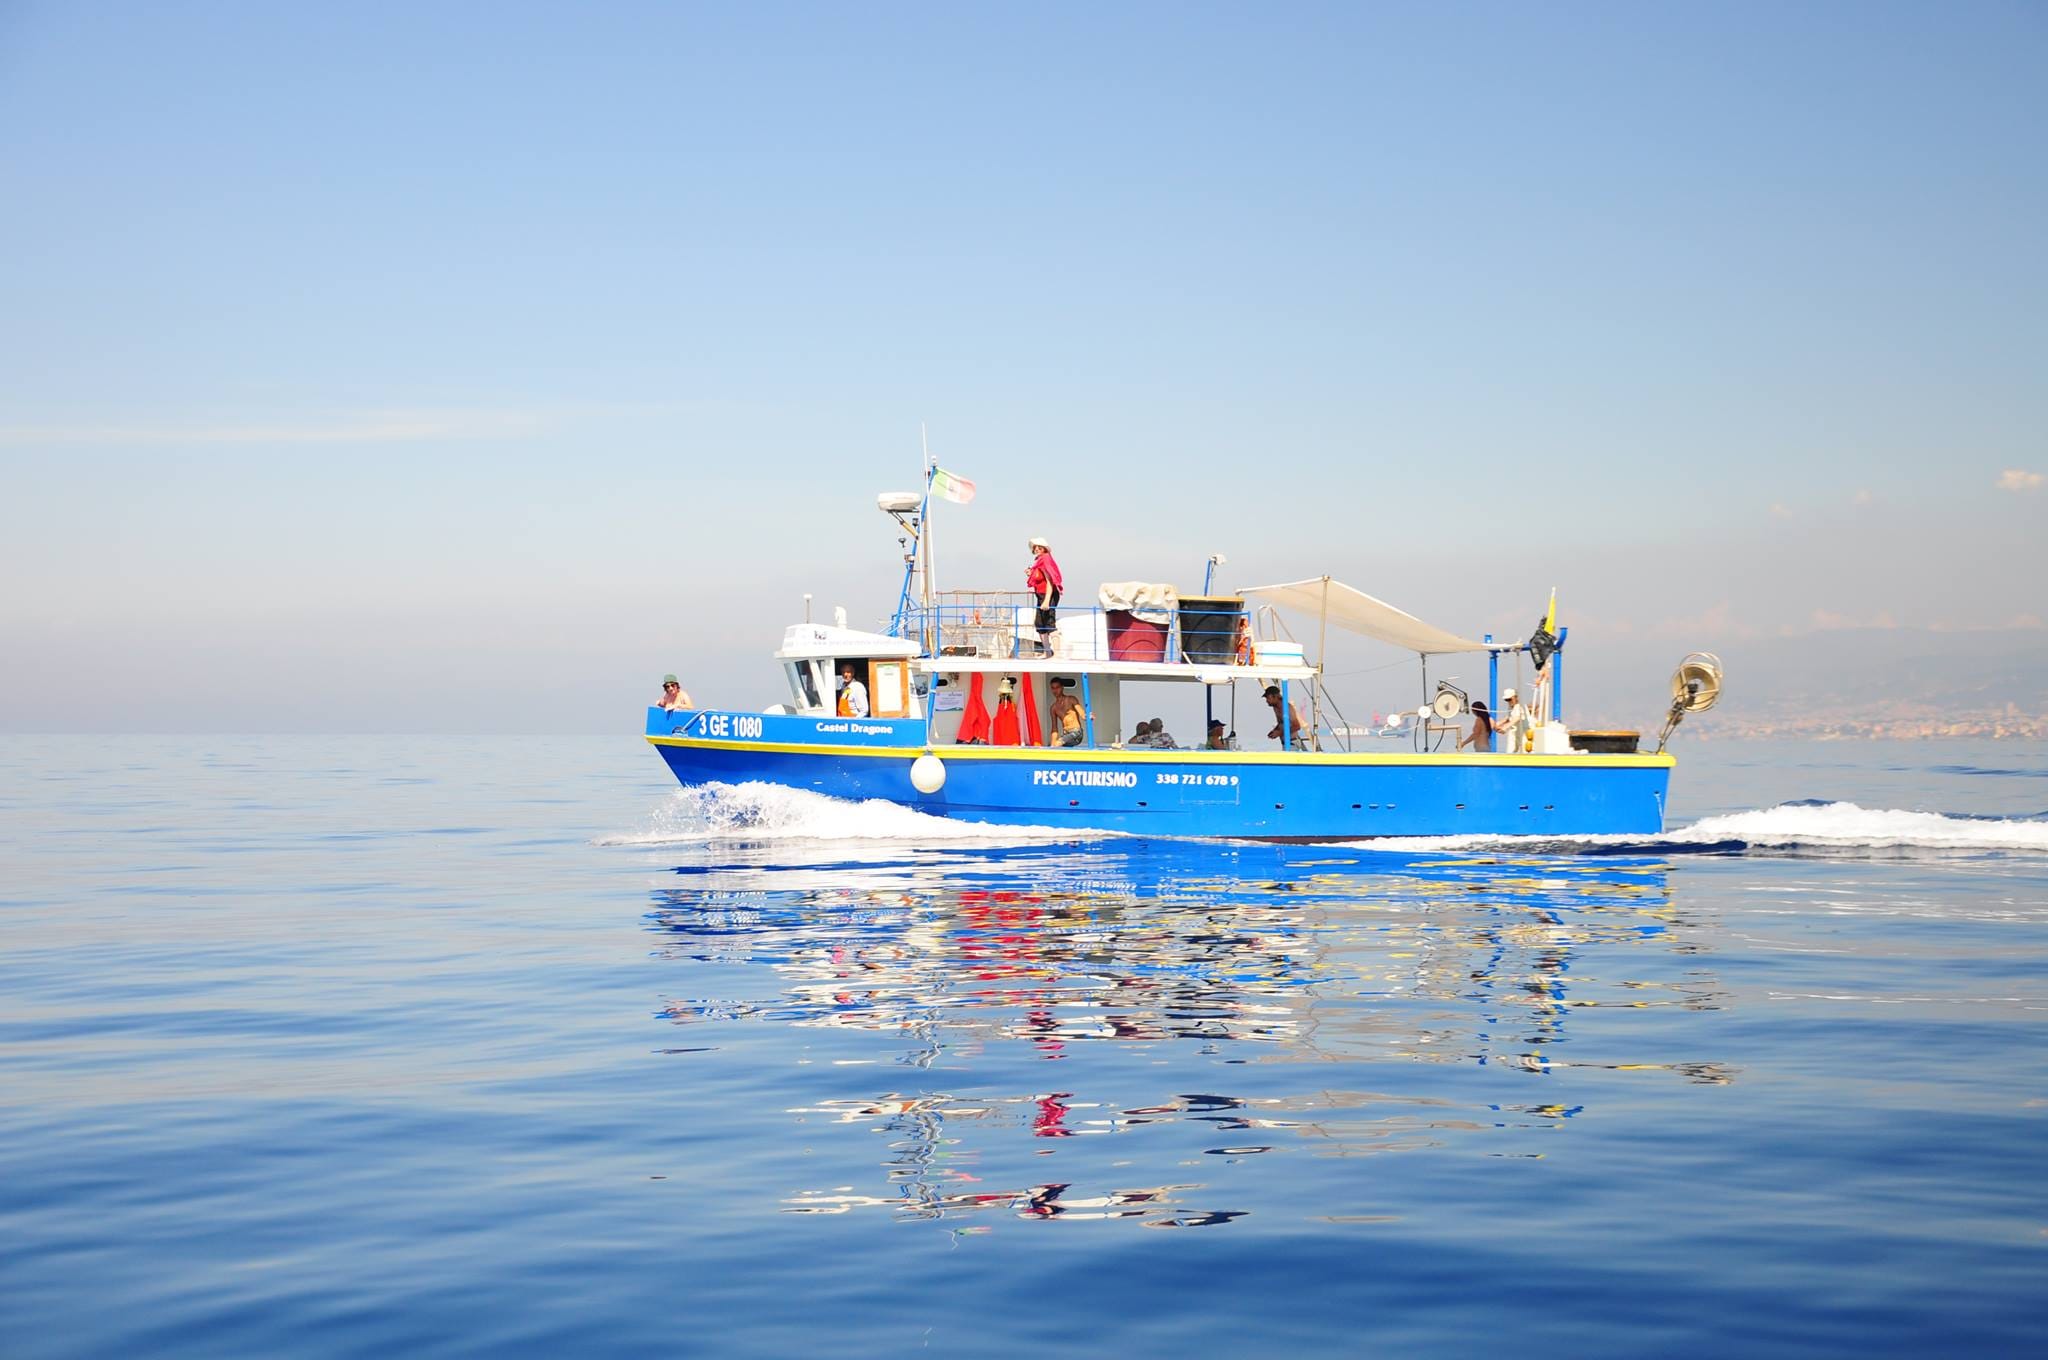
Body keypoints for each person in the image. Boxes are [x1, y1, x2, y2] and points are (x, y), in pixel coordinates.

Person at [1026, 537, 1063, 657]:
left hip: (1048, 595)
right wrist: (1031, 573)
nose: (1036, 549)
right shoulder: (1039, 561)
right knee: (1040, 623)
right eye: (1035, 547)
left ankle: (1057, 653)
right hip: (1041, 595)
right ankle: (1047, 652)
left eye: (1039, 547)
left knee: (1049, 622)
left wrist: (1047, 600)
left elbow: (1050, 581)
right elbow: (1039, 578)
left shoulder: (1045, 559)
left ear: (1044, 549)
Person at [1264, 685, 1310, 750]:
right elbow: (1281, 722)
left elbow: (1297, 726)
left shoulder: (1287, 708)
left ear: (1275, 697)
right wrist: (1275, 731)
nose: (1267, 701)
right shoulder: (1276, 708)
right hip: (1285, 743)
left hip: (1292, 743)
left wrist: (1279, 733)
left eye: (1268, 698)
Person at [1049, 677, 1086, 747]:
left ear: (1062, 687)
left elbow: (1082, 713)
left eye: (1057, 687)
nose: (1055, 690)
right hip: (1066, 734)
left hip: (1076, 732)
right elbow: (1054, 729)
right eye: (1053, 688)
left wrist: (1087, 716)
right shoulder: (1053, 708)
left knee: (1058, 743)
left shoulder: (1071, 699)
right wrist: (1052, 745)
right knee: (1055, 746)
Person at [1498, 686, 1530, 753]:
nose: (1508, 702)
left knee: (1524, 752)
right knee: (1510, 751)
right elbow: (1509, 717)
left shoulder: (1520, 706)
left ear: (1515, 697)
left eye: (1510, 699)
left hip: (1523, 734)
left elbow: (1517, 718)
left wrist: (1505, 727)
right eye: (1506, 700)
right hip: (1514, 733)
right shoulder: (1511, 706)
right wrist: (1498, 724)